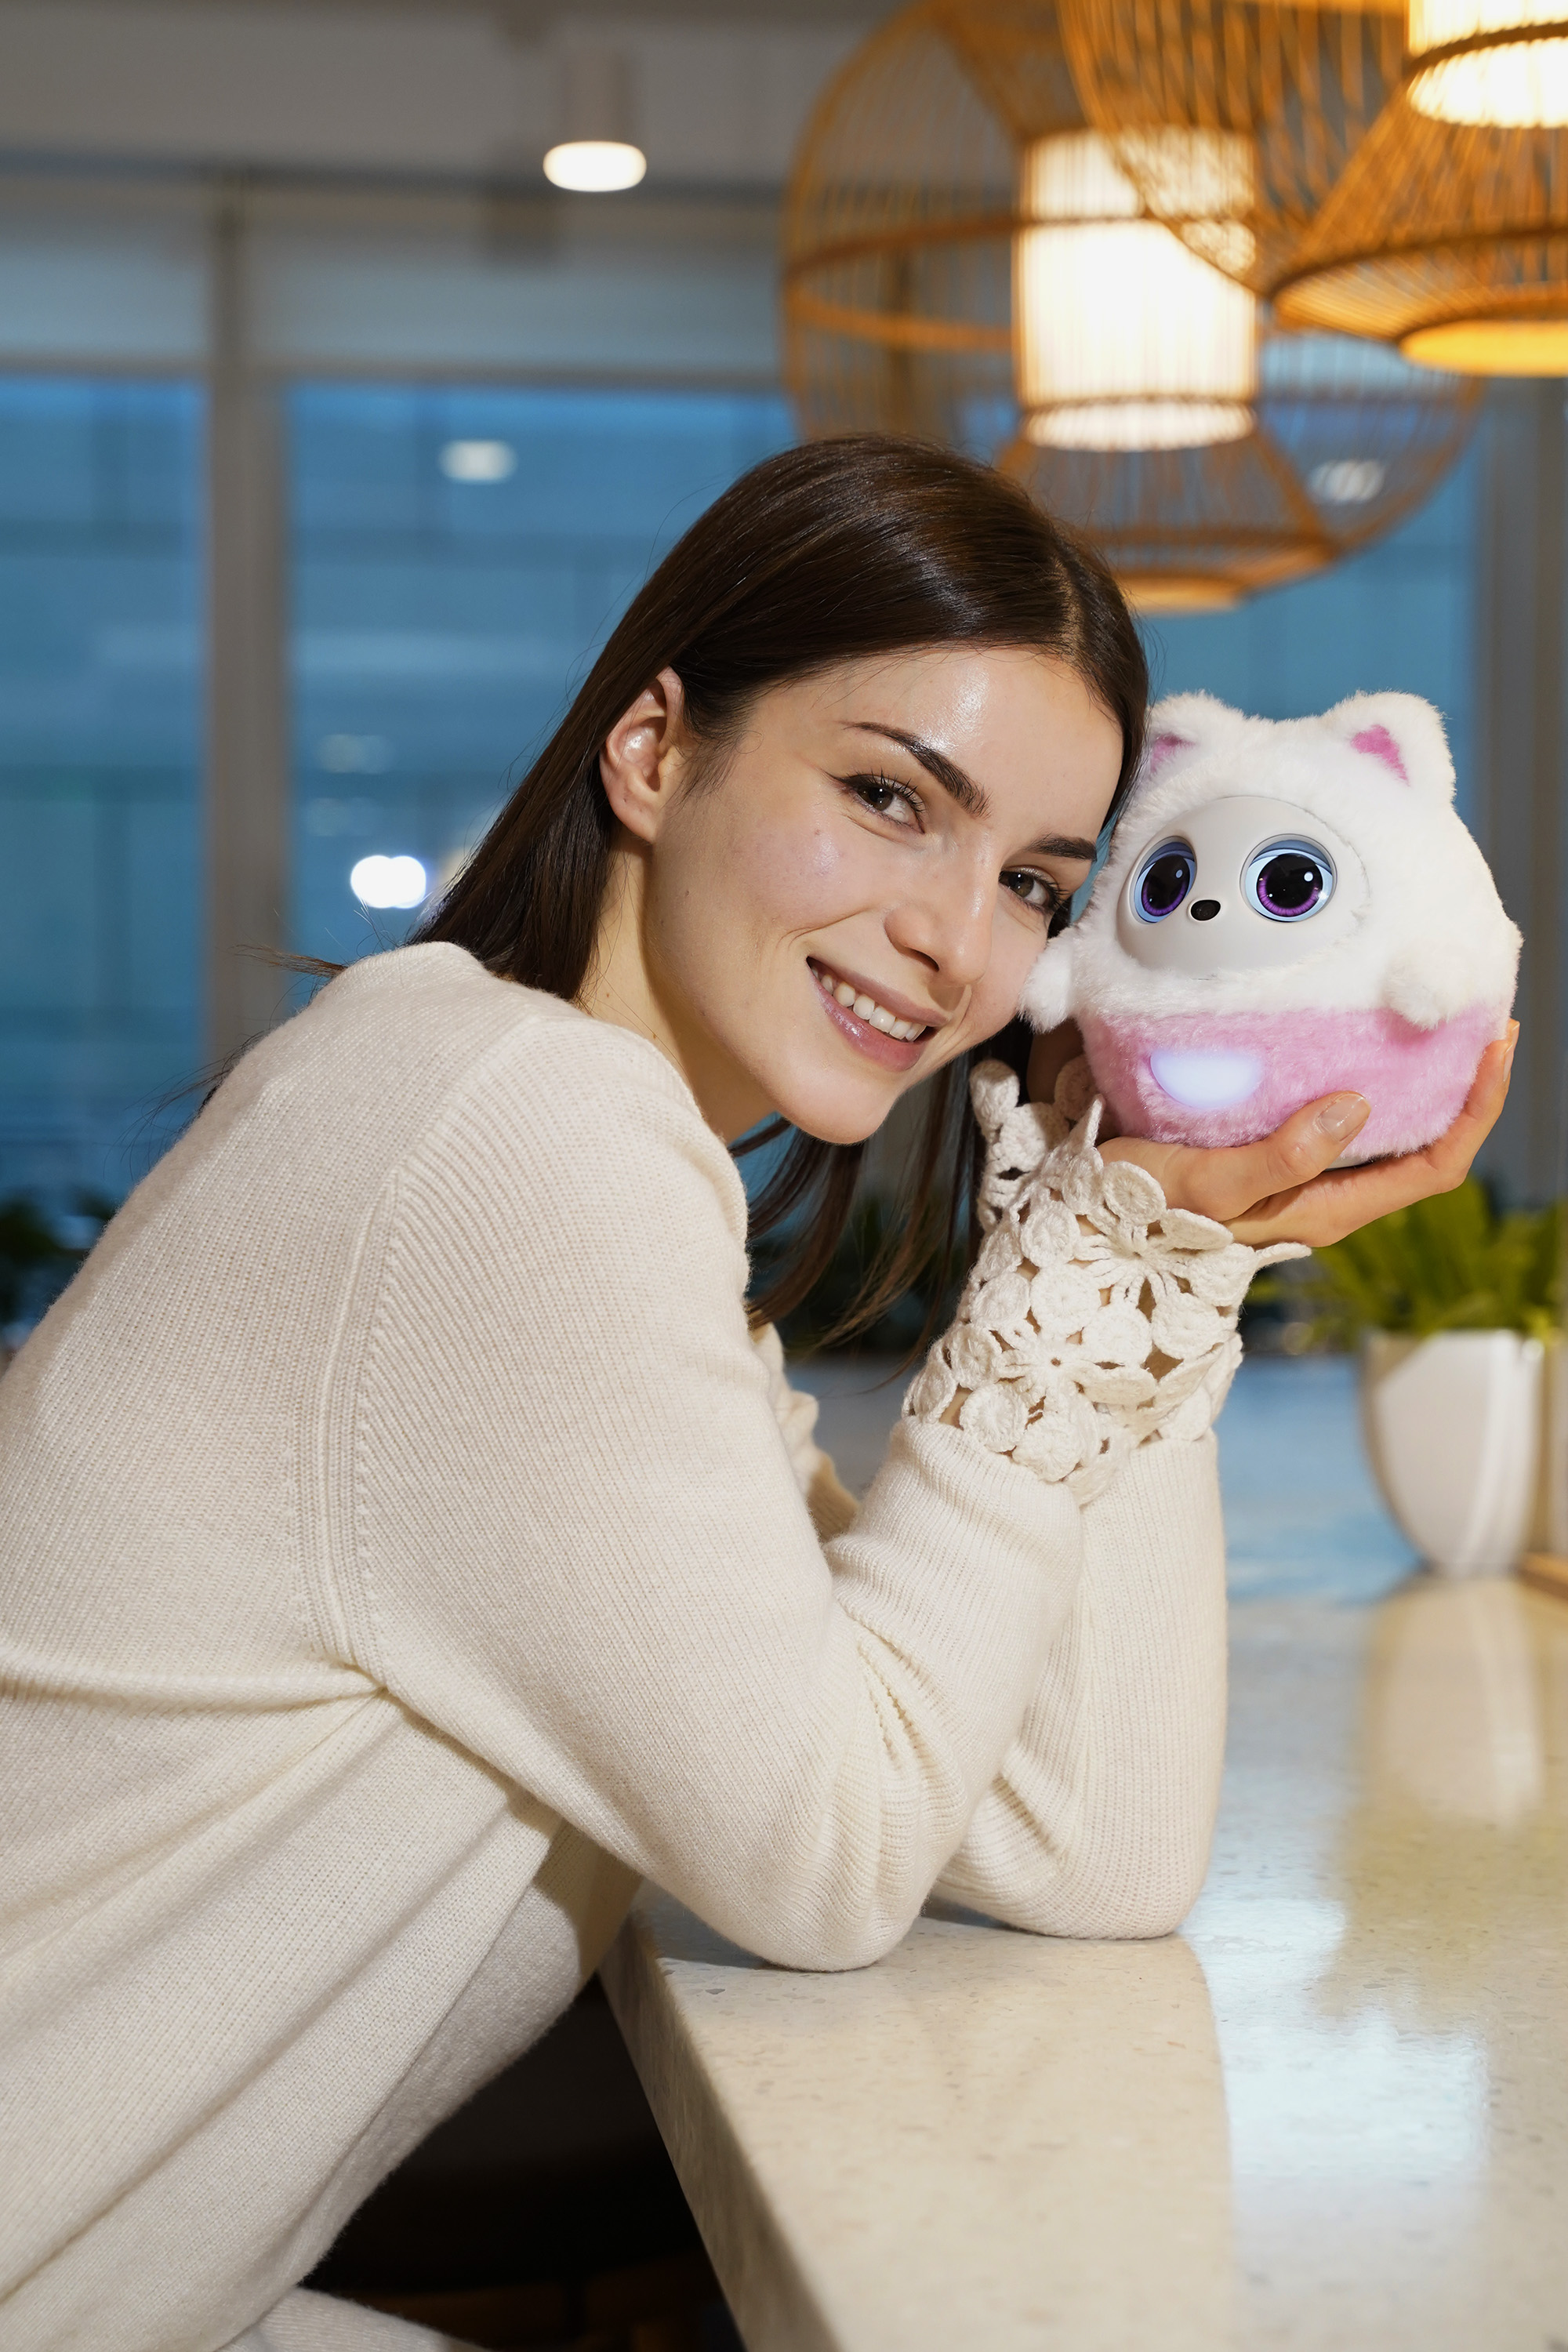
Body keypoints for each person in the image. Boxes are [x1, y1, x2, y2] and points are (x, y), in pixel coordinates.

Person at [0, 438, 1511, 2352]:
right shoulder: (507, 1134)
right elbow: (834, 1856)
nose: (956, 940)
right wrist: (1079, 1283)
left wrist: (1138, 1237)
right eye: (889, 799)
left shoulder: (579, 1174)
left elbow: (1079, 1844)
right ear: (653, 751)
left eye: (1032, 882)